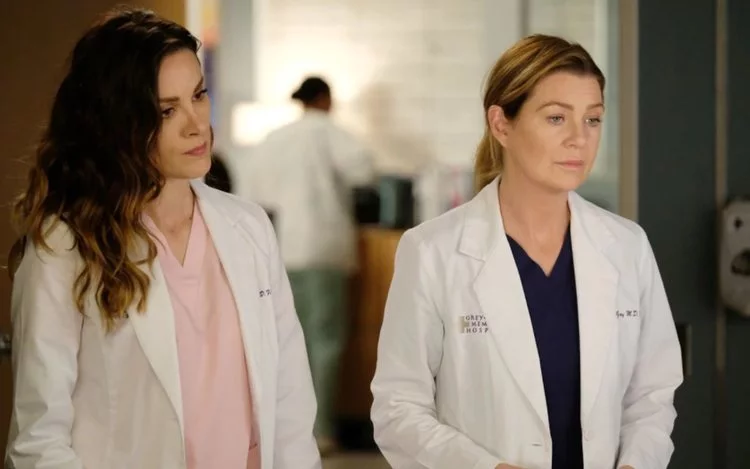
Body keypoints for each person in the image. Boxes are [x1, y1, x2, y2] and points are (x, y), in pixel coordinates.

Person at [5, 8, 320, 469]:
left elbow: (289, 402)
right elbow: (39, 439)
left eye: (199, 95)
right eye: (167, 110)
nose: (196, 124)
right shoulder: (66, 248)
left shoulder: (249, 227)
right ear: (118, 123)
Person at [370, 34, 683, 469]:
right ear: (501, 124)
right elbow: (398, 409)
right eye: (556, 118)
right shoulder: (432, 252)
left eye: (592, 120)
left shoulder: (628, 247)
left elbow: (651, 397)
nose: (579, 138)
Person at [245, 76, 375, 454]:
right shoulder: (326, 131)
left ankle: (286, 433)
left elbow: (252, 189)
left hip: (281, 251)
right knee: (325, 342)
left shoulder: (274, 138)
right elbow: (364, 171)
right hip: (321, 250)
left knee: (287, 343)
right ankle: (321, 432)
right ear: (325, 99)